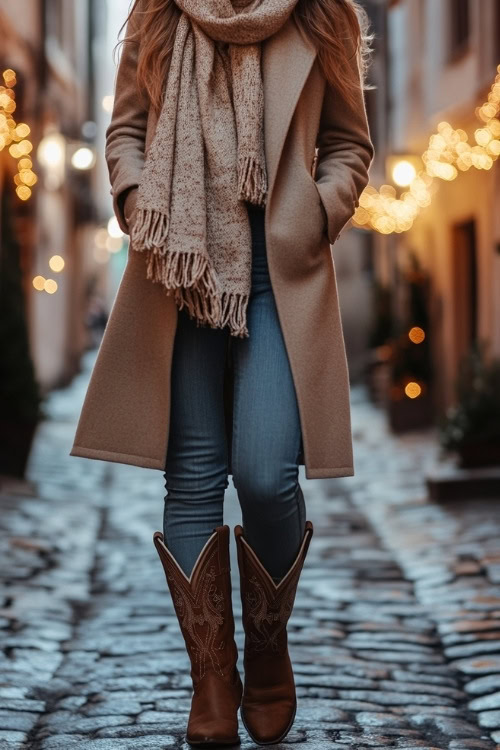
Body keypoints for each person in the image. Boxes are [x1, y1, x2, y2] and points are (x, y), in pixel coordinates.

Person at [71, 0, 374, 744]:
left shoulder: (321, 16)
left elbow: (348, 145)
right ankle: (213, 678)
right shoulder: (159, 14)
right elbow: (126, 131)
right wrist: (142, 200)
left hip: (280, 272)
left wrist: (317, 212)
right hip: (179, 266)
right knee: (196, 474)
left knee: (267, 472)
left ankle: (269, 650)